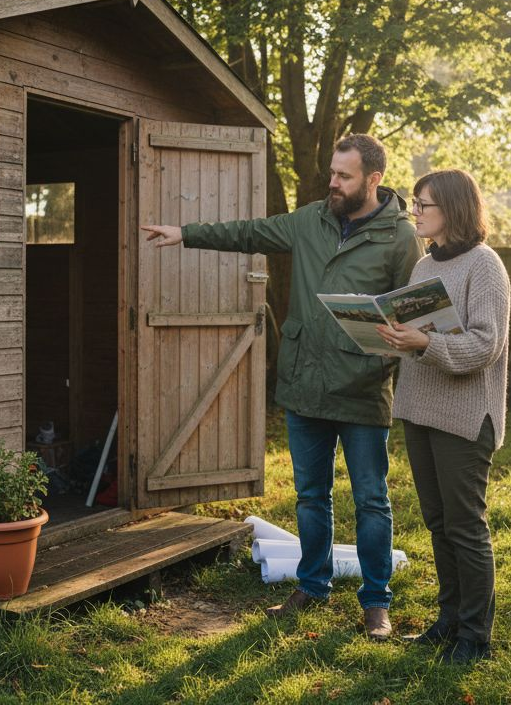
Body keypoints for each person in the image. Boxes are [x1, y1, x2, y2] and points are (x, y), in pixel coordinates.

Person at [141, 134, 420, 641]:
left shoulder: (400, 237)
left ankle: (377, 603)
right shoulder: (310, 219)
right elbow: (248, 232)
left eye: (344, 176)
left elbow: (411, 314)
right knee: (312, 496)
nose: (332, 183)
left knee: (372, 500)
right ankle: (312, 586)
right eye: (332, 173)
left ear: (373, 180)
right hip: (303, 384)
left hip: (362, 388)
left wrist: (393, 346)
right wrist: (186, 232)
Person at [374, 169, 511, 663]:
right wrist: (388, 337)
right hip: (420, 409)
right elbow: (417, 338)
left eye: (423, 204)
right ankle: (449, 621)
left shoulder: (485, 265)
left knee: (466, 526)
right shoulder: (422, 267)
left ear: (452, 209)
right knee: (437, 522)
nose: (415, 212)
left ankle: (475, 637)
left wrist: (425, 342)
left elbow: (485, 344)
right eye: (414, 202)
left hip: (465, 415)